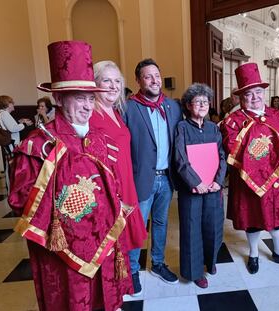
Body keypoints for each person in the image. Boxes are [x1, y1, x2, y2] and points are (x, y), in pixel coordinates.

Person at [8, 40, 131, 311]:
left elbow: (115, 186)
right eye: (79, 98)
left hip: (105, 243)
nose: (87, 106)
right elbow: (20, 200)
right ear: (59, 98)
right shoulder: (37, 145)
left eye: (90, 98)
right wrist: (77, 217)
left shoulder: (102, 140)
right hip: (61, 251)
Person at [220, 62, 279, 274]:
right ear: (241, 97)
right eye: (249, 94)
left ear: (264, 93)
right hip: (249, 177)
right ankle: (254, 254)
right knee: (253, 217)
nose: (255, 97)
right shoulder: (232, 121)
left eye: (258, 92)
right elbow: (232, 148)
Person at [122, 58, 182, 295]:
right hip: (141, 178)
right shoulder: (128, 107)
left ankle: (157, 263)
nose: (155, 80)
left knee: (161, 223)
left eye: (157, 75)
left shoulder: (173, 107)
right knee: (137, 226)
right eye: (148, 76)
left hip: (167, 178)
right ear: (138, 80)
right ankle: (133, 270)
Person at [91, 60, 147, 261]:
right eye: (107, 80)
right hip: (110, 189)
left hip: (126, 182)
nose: (114, 86)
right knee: (111, 244)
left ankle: (123, 284)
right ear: (94, 83)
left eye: (117, 81)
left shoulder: (115, 112)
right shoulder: (91, 116)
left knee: (122, 245)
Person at [174, 83, 226, 288]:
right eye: (198, 102)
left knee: (213, 226)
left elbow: (222, 157)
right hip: (193, 189)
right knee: (192, 229)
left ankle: (210, 262)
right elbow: (180, 159)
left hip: (213, 188)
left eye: (206, 101)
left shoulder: (214, 128)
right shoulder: (182, 128)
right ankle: (194, 272)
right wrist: (196, 182)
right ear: (188, 105)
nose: (203, 105)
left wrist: (218, 182)